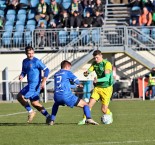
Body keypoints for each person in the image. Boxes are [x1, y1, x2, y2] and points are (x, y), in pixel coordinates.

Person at [49, 60, 99, 125]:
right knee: (85, 105)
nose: (70, 69)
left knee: (56, 104)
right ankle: (89, 118)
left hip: (56, 95)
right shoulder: (67, 72)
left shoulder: (56, 74)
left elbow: (65, 85)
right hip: (66, 96)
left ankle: (52, 120)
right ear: (67, 67)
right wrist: (79, 84)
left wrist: (75, 86)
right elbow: (76, 80)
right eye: (70, 68)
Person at [78, 50, 114, 125]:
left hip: (107, 88)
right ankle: (84, 119)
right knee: (88, 105)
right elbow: (88, 71)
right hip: (97, 88)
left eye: (97, 58)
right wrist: (86, 73)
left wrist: (98, 80)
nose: (96, 60)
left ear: (101, 56)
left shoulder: (107, 64)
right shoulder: (94, 64)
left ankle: (109, 114)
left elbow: (107, 78)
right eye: (94, 58)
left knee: (104, 110)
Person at [17, 46, 51, 124]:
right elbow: (24, 71)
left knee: (20, 96)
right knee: (35, 103)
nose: (31, 55)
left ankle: (31, 111)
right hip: (30, 84)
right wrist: (22, 75)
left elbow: (46, 70)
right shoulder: (25, 61)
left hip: (35, 85)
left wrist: (43, 81)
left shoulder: (37, 61)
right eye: (29, 53)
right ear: (26, 53)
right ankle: (48, 117)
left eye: (32, 53)